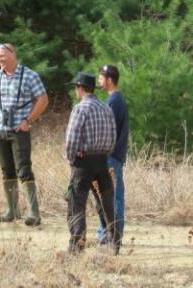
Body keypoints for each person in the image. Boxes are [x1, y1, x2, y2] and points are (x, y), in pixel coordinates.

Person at [0, 43, 49, 226]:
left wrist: (28, 120)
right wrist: (4, 108)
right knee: (7, 170)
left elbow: (43, 99)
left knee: (24, 169)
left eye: (3, 56)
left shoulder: (30, 75)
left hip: (19, 131)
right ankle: (12, 211)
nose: (0, 60)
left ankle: (34, 213)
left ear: (13, 55)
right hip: (0, 129)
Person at [65, 72, 120, 254]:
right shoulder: (106, 108)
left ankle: (77, 245)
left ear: (80, 88)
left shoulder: (80, 108)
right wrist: (104, 154)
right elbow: (113, 137)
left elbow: (71, 139)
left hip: (84, 162)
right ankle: (115, 242)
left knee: (77, 202)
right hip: (102, 161)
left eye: (76, 87)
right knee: (106, 203)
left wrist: (72, 159)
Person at [96, 65, 129, 244]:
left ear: (109, 80)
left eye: (101, 77)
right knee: (110, 195)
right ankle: (108, 232)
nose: (99, 81)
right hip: (113, 156)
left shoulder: (114, 101)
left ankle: (112, 234)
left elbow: (110, 132)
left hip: (111, 156)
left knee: (112, 195)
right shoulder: (115, 99)